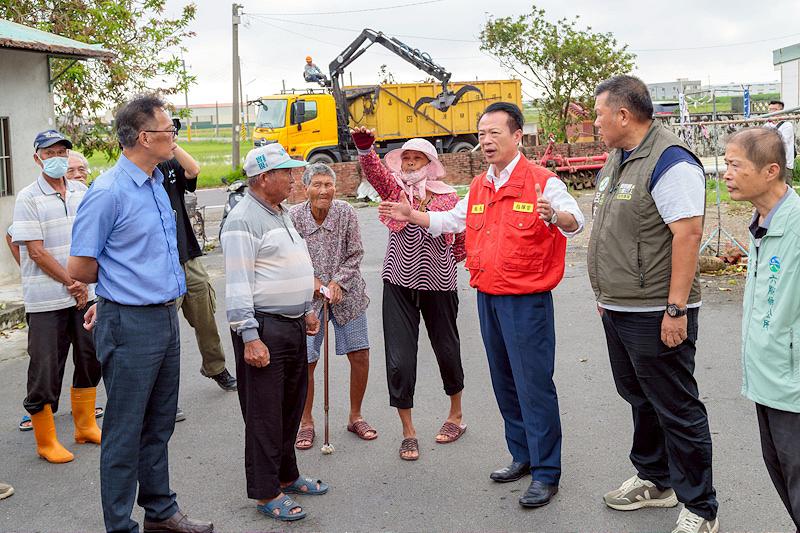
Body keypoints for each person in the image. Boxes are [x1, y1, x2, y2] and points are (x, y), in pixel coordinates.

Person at [379, 101, 585, 508]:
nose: (486, 141)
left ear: (517, 136)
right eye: (482, 134)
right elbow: (449, 221)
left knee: (534, 385)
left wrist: (554, 215)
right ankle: (521, 455)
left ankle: (546, 472)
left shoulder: (542, 182)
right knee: (505, 381)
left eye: (494, 133)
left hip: (526, 303)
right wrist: (412, 214)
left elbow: (575, 221)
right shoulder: (478, 186)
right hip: (489, 297)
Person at [68, 95, 213, 533]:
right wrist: (108, 297)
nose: (174, 137)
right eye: (170, 130)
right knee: (124, 431)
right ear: (145, 137)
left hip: (164, 318)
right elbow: (80, 266)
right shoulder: (108, 192)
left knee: (159, 423)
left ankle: (160, 511)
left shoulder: (154, 183)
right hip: (129, 322)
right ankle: (120, 526)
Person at [588, 75, 718, 533]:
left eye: (599, 114)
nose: (595, 122)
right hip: (620, 306)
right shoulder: (618, 159)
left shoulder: (670, 160)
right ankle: (656, 480)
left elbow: (688, 235)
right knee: (640, 398)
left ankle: (700, 507)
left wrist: (676, 309)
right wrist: (606, 295)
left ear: (623, 115)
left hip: (657, 311)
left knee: (676, 407)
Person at [221, 143, 328, 523]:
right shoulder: (243, 219)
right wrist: (250, 336)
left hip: (292, 325)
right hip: (263, 328)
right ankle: (266, 491)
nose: (293, 178)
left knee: (289, 407)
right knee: (265, 414)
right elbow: (238, 284)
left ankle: (288, 474)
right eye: (286, 172)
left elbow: (287, 267)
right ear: (264, 177)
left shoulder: (279, 213)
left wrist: (305, 311)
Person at [352, 129, 467, 461]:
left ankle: (455, 416)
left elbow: (459, 235)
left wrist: (458, 258)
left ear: (430, 164)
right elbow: (375, 172)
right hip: (398, 282)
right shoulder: (394, 190)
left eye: (418, 158)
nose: (411, 163)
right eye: (406, 158)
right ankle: (408, 431)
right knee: (400, 360)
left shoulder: (448, 197)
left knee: (447, 351)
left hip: (439, 284)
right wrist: (365, 149)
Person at [724, 127, 800, 531]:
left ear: (771, 170)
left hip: (794, 387)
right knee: (784, 481)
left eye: (735, 165)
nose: (726, 173)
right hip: (767, 379)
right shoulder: (762, 222)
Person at [12, 130, 102, 464]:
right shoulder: (28, 197)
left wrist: (86, 286)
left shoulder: (81, 191)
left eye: (62, 152)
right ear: (37, 159)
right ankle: (46, 440)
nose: (57, 158)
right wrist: (72, 282)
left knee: (91, 357)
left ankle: (85, 425)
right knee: (46, 368)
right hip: (47, 299)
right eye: (49, 153)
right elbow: (34, 251)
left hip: (84, 296)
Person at [289, 162, 375, 450]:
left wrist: (338, 282)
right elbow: (289, 260)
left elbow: (355, 253)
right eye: (318, 184)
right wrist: (313, 283)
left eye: (328, 184)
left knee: (359, 353)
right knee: (307, 359)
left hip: (347, 294)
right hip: (308, 298)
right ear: (306, 188)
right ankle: (306, 422)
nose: (324, 190)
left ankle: (356, 416)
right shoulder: (294, 217)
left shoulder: (346, 212)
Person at [158, 145, 238, 394]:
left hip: (188, 255)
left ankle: (216, 368)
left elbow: (193, 169)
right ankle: (164, 393)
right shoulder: (136, 173)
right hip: (159, 264)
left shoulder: (169, 163)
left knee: (205, 317)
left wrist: (170, 141)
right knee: (164, 329)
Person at [765, 100, 795, 184]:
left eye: (775, 109)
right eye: (770, 109)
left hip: (784, 164)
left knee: (786, 190)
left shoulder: (787, 125)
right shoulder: (766, 125)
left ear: (781, 111)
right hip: (769, 163)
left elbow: (780, 143)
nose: (772, 112)